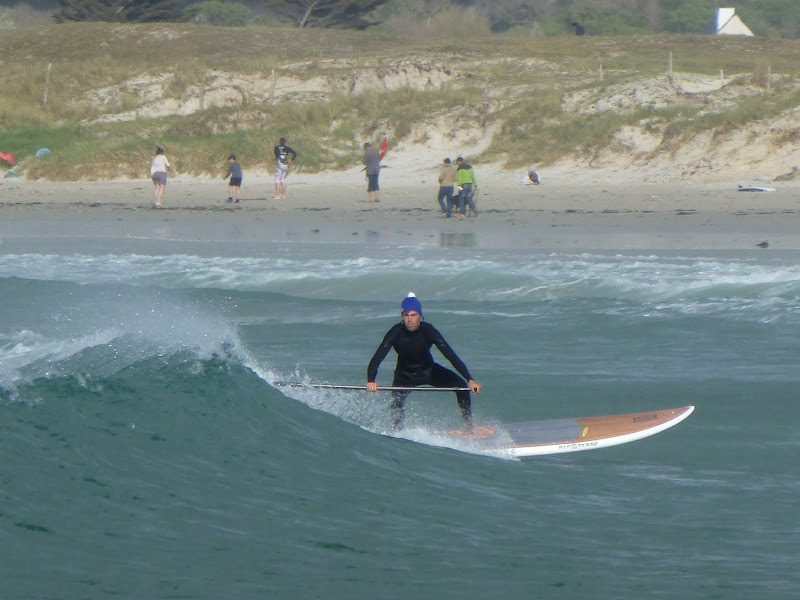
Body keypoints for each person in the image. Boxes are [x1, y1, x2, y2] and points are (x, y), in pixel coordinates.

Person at [367, 293, 481, 431]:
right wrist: (371, 380)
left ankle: (469, 426)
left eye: (413, 315)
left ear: (420, 316)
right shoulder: (395, 332)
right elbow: (378, 357)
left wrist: (470, 379)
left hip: (429, 371)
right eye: (406, 315)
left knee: (461, 386)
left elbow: (450, 354)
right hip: (405, 375)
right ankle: (397, 431)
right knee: (396, 403)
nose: (409, 319)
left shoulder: (428, 330)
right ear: (402, 316)